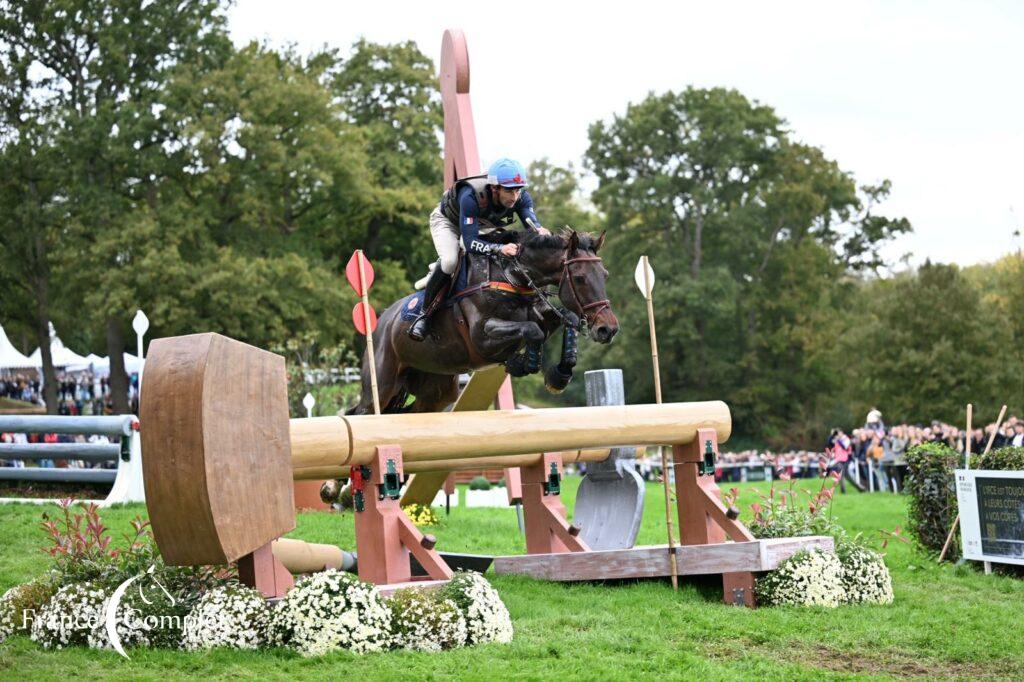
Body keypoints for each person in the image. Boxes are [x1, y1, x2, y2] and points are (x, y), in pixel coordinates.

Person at [408, 158, 551, 341]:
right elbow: (469, 242)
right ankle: (424, 315)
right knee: (451, 261)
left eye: (517, 190)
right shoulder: (470, 195)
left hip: (481, 224)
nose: (514, 197)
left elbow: (531, 226)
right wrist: (499, 249)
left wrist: (540, 232)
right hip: (448, 222)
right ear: (494, 188)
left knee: (513, 241)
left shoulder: (521, 197)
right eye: (508, 190)